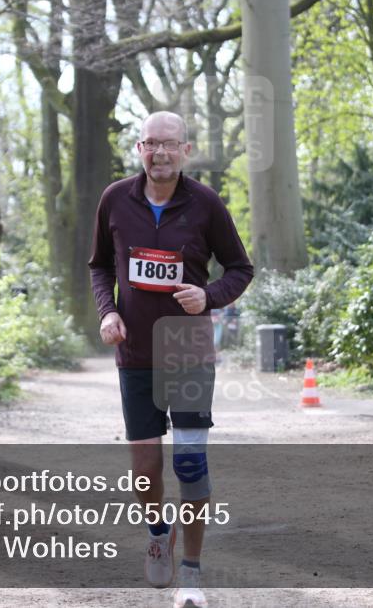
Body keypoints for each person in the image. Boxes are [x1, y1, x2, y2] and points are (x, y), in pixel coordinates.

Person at [88, 111, 253, 607]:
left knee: (189, 463)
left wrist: (210, 297)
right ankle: (159, 531)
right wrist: (107, 313)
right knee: (145, 469)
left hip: (187, 351)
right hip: (135, 351)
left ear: (186, 150)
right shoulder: (116, 199)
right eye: (150, 144)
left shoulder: (205, 204)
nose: (159, 153)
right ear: (139, 149)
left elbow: (241, 268)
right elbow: (99, 265)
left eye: (170, 145)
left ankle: (192, 576)